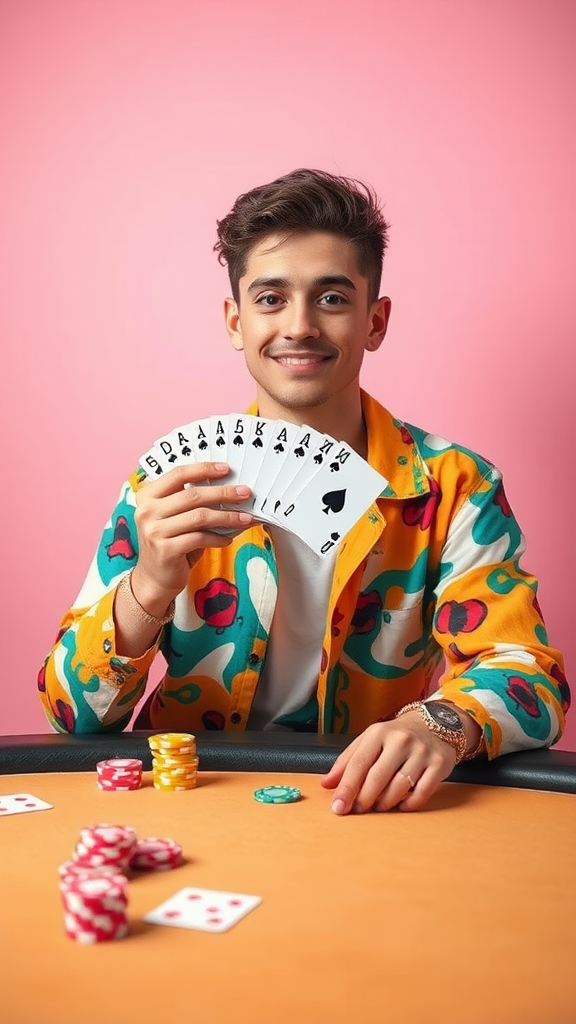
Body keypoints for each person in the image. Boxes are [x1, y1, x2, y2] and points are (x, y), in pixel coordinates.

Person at [39, 168, 569, 815]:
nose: (299, 326)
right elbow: (70, 714)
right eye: (270, 299)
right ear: (235, 321)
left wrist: (436, 725)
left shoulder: (455, 487)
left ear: (376, 321)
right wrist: (148, 586)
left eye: (332, 298)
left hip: (357, 800)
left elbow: (528, 676)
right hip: (187, 802)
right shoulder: (169, 486)